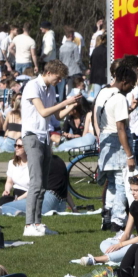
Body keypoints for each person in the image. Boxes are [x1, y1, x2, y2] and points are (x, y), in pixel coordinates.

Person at [19, 59, 80, 237]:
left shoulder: (50, 89)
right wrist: (65, 102)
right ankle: (29, 224)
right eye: (58, 78)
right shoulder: (32, 86)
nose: (59, 81)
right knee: (36, 182)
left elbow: (56, 116)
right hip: (32, 137)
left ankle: (37, 223)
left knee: (43, 184)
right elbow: (44, 111)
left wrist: (71, 105)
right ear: (49, 73)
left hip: (44, 137)